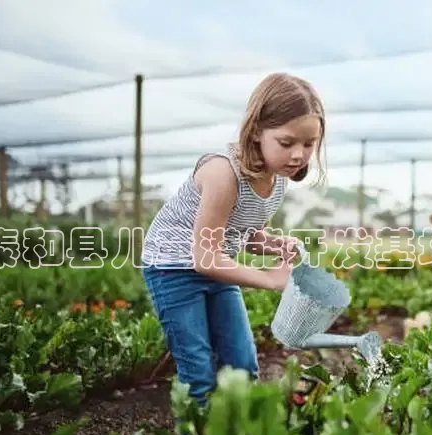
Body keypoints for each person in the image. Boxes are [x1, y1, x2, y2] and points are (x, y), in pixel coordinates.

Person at [140, 72, 326, 407]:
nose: (298, 155)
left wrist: (275, 245)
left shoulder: (277, 178)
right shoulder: (222, 173)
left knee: (242, 365)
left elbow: (246, 235)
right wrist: (270, 279)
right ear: (256, 131)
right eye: (287, 143)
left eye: (308, 144)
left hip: (216, 267)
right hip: (173, 269)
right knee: (198, 374)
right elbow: (204, 256)